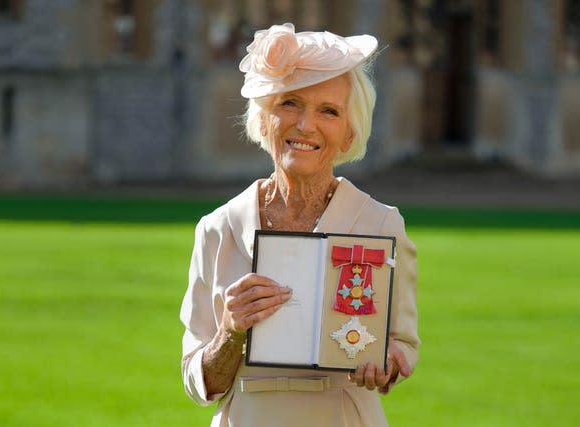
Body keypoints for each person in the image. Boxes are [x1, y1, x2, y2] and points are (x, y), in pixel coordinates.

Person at [180, 23, 420, 427]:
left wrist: (388, 362)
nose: (306, 125)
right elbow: (196, 380)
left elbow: (403, 347)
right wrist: (230, 332)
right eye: (290, 103)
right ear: (263, 118)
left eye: (329, 111)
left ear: (349, 134)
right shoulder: (216, 229)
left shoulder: (382, 225)